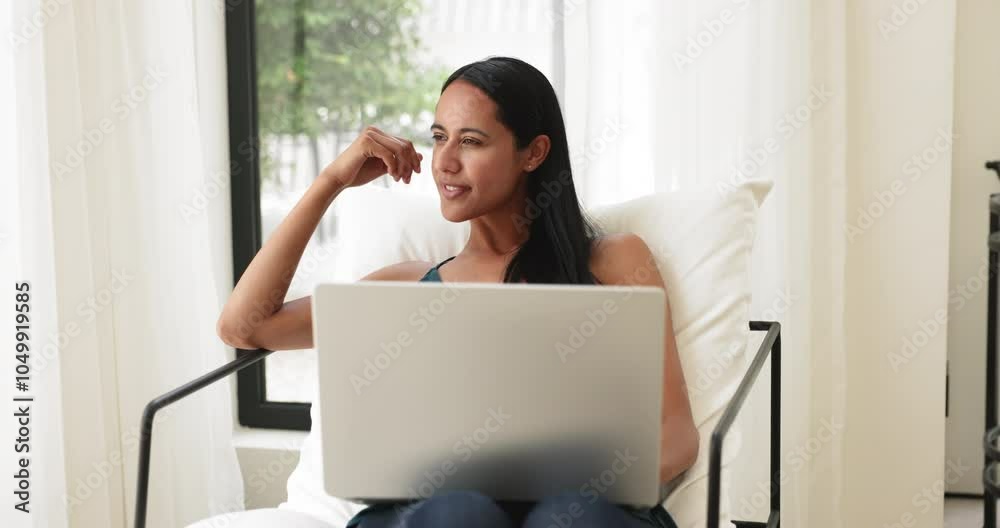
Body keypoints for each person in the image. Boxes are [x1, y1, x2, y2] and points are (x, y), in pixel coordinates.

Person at [216, 56, 697, 528]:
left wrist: (583, 487)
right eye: (439, 137)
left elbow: (676, 434)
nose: (444, 162)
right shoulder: (407, 286)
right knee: (459, 512)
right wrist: (330, 182)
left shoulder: (615, 262)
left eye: (471, 141)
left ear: (534, 153)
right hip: (439, 512)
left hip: (587, 509)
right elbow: (245, 326)